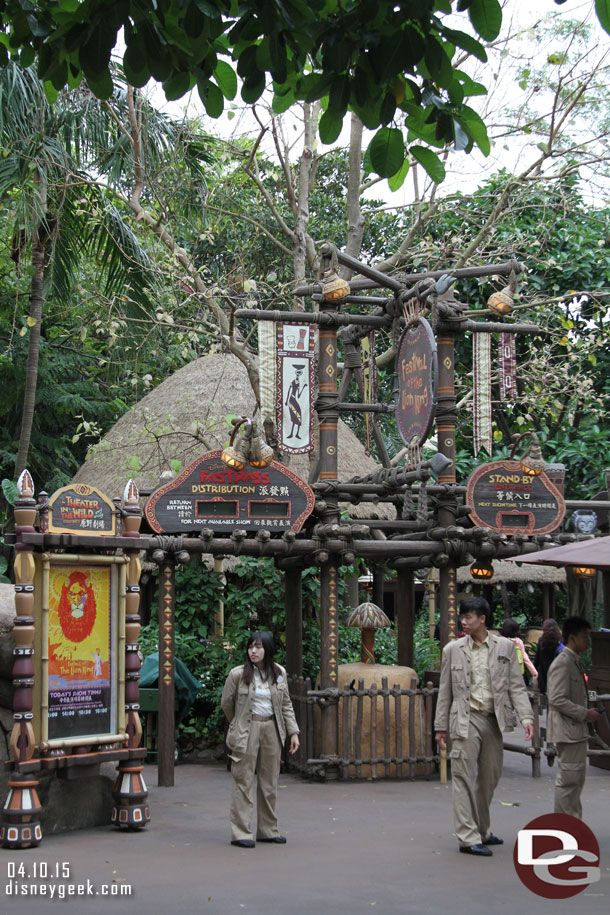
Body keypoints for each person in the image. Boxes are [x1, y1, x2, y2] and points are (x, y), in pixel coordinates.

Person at [434, 597, 534, 857]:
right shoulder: (452, 649)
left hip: (494, 719)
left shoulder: (505, 647)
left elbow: (516, 686)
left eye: (469, 617)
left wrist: (526, 717)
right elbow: (444, 690)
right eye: (462, 617)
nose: (463, 622)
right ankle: (467, 837)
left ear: (482, 619)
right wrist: (440, 726)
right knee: (462, 777)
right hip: (465, 718)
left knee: (490, 776)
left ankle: (481, 829)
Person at [221, 631, 300, 848]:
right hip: (248, 728)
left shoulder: (278, 673)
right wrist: (239, 723)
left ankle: (268, 830)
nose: (253, 651)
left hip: (272, 728)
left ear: (268, 649)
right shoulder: (238, 675)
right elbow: (227, 704)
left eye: (258, 647)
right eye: (250, 647)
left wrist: (293, 732)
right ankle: (241, 833)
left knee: (269, 782)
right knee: (243, 780)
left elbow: (285, 704)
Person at [547, 616, 601, 819]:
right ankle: (565, 826)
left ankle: (572, 824)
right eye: (584, 636)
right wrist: (584, 713)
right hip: (567, 731)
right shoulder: (563, 662)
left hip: (575, 731)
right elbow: (557, 699)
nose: (587, 640)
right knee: (569, 782)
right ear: (572, 637)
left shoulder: (573, 661)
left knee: (575, 781)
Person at [499, 619, 538, 685]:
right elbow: (525, 658)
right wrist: (534, 672)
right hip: (517, 673)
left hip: (504, 674)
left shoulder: (501, 641)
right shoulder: (518, 642)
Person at [533, 618, 563, 695]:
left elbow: (537, 659)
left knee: (544, 700)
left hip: (543, 676)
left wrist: (534, 672)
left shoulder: (541, 640)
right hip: (557, 676)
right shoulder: (560, 641)